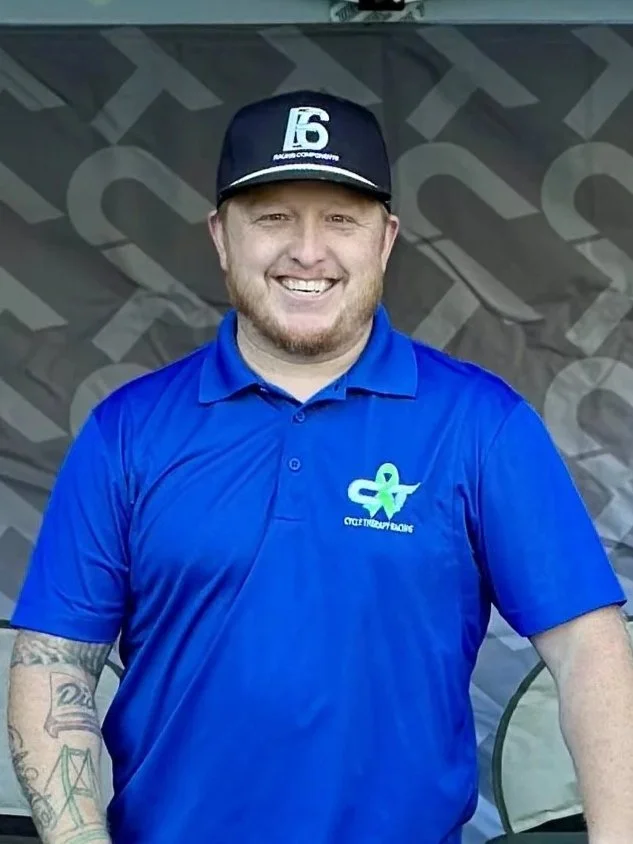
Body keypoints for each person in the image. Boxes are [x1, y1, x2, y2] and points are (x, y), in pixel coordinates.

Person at [7, 89, 633, 844]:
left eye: (340, 218)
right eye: (273, 217)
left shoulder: (478, 423)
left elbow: (587, 652)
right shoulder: (127, 432)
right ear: (220, 235)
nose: (307, 250)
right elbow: (56, 664)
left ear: (386, 237)